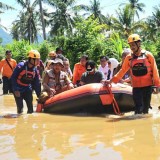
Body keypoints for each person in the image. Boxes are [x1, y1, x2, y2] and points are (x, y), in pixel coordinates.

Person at [106, 34, 160, 114]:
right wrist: (111, 81)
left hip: (147, 86)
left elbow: (155, 71)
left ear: (139, 44)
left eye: (133, 45)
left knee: (146, 110)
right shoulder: (129, 58)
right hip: (136, 87)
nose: (132, 47)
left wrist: (157, 85)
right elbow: (122, 71)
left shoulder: (148, 55)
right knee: (138, 109)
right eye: (130, 45)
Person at [11, 50, 41, 114]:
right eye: (37, 60)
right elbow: (13, 78)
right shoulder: (21, 66)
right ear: (31, 59)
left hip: (27, 88)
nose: (39, 62)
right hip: (18, 89)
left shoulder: (35, 69)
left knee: (30, 109)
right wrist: (15, 90)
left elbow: (37, 83)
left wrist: (39, 96)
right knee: (20, 108)